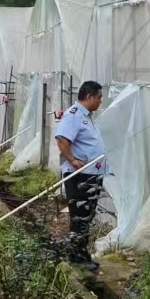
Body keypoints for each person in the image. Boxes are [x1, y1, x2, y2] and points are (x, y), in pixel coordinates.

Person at [54, 80, 108, 271]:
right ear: (89, 97)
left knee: (86, 216)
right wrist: (73, 160)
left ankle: (80, 253)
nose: (101, 101)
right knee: (80, 216)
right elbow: (62, 138)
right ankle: (77, 258)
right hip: (80, 175)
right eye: (99, 97)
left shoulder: (86, 116)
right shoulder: (74, 115)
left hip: (91, 174)